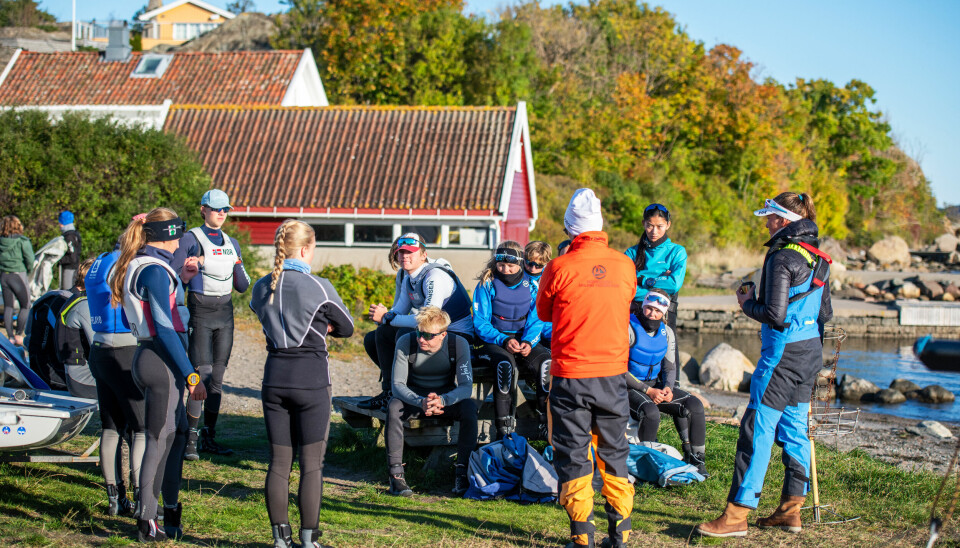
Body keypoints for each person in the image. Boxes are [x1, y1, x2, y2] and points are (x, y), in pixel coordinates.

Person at [696, 192, 833, 538]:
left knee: (757, 429)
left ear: (784, 220)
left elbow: (774, 315)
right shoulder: (819, 257)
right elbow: (825, 314)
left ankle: (736, 515)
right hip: (810, 354)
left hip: (781, 357)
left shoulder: (781, 256)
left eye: (770, 217)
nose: (767, 223)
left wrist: (746, 303)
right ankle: (791, 511)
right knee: (796, 429)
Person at [537, 188, 637, 548]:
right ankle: (620, 534)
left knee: (574, 452)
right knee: (614, 451)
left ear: (570, 230)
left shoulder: (559, 266)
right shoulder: (626, 265)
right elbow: (625, 301)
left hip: (571, 374)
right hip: (612, 374)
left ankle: (582, 537)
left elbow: (544, 313)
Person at [249, 219, 354, 548]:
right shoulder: (319, 286)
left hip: (274, 378)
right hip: (311, 381)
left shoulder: (261, 285)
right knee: (312, 465)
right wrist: (325, 327)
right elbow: (348, 328)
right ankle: (309, 540)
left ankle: (281, 540)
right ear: (307, 249)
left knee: (279, 463)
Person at [111, 208, 207, 542]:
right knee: (158, 437)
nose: (182, 238)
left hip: (149, 354)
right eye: (179, 232)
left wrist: (183, 279)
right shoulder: (152, 270)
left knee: (177, 435)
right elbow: (165, 329)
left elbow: (135, 319)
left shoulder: (143, 264)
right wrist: (191, 375)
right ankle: (147, 518)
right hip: (160, 360)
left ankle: (169, 511)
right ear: (168, 234)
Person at [171, 189, 251, 460]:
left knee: (217, 379)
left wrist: (226, 260)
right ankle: (189, 440)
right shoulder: (190, 239)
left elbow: (242, 285)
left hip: (225, 313)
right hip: (201, 312)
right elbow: (175, 279)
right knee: (200, 376)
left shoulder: (232, 242)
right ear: (203, 209)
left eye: (226, 209)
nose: (222, 213)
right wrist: (194, 267)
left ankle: (209, 437)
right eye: (217, 208)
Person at [360, 233, 474, 410]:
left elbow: (427, 320)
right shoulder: (408, 277)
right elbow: (398, 312)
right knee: (377, 335)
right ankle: (391, 391)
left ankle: (412, 391)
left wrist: (387, 318)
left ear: (423, 255)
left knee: (404, 334)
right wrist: (382, 318)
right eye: (401, 252)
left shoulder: (434, 276)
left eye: (411, 252)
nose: (405, 256)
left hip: (456, 333)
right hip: (432, 331)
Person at [386, 306, 477, 497]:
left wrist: (443, 400)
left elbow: (466, 386)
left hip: (444, 397)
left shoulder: (458, 344)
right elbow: (397, 384)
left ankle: (462, 472)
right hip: (414, 397)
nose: (421, 339)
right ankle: (396, 476)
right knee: (394, 407)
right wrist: (420, 401)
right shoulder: (406, 342)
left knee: (469, 407)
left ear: (443, 335)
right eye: (419, 333)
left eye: (428, 336)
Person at [86, 240, 145, 518]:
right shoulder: (125, 263)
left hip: (99, 347)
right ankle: (140, 497)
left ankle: (114, 498)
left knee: (110, 428)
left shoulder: (97, 263)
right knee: (140, 428)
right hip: (124, 346)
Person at [472, 241, 550, 439]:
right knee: (505, 367)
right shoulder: (487, 283)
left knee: (546, 365)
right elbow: (480, 323)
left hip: (524, 338)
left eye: (511, 265)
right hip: (495, 339)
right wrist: (503, 340)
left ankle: (546, 423)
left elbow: (537, 317)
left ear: (520, 262)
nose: (505, 270)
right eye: (501, 265)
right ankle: (504, 430)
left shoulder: (532, 284)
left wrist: (529, 342)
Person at [626, 289, 707, 476]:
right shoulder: (628, 328)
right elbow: (618, 370)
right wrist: (647, 391)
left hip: (654, 385)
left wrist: (668, 388)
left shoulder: (667, 332)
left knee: (694, 405)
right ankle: (646, 465)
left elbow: (670, 368)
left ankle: (696, 459)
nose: (652, 314)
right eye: (649, 308)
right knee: (651, 412)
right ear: (643, 306)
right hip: (629, 386)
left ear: (664, 313)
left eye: (657, 311)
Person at [624, 204, 687, 368]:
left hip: (665, 310)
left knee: (667, 349)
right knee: (633, 349)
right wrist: (660, 280)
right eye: (650, 226)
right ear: (643, 223)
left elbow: (673, 284)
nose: (654, 231)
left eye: (659, 226)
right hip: (635, 309)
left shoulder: (677, 252)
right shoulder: (631, 253)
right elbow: (624, 284)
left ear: (668, 225)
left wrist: (643, 279)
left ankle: (672, 385)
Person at [56, 258, 97, 399]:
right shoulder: (84, 306)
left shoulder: (76, 300)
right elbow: (101, 346)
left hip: (77, 376)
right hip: (82, 381)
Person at [0, 215, 34, 346]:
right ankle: (19, 334)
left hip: (4, 275)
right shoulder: (22, 241)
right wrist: (28, 271)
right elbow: (30, 260)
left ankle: (10, 336)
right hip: (18, 274)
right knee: (25, 305)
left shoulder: (1, 241)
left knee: (8, 306)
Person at [523, 241, 553, 349]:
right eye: (529, 263)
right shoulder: (516, 274)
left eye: (538, 265)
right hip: (525, 325)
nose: (533, 269)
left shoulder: (551, 276)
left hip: (546, 325)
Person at [59, 210, 82, 290]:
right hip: (74, 267)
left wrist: (60, 259)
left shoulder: (69, 236)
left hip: (69, 268)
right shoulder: (75, 234)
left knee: (67, 292)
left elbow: (72, 257)